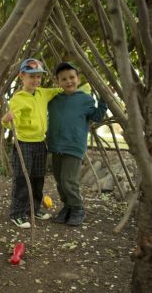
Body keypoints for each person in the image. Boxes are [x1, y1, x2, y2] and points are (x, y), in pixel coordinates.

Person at [1, 58, 61, 229]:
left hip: (40, 143)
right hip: (24, 143)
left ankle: (34, 208)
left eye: (39, 77)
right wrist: (6, 120)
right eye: (32, 76)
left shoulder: (43, 93)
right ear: (22, 76)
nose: (35, 80)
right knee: (22, 178)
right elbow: (11, 121)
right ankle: (17, 213)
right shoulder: (18, 99)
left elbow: (59, 90)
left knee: (38, 178)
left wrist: (75, 87)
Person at [47, 62, 107, 226]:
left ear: (78, 79)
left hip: (74, 146)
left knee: (69, 180)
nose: (69, 81)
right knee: (60, 180)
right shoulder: (53, 99)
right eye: (64, 79)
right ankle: (67, 207)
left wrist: (104, 99)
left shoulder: (85, 99)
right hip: (56, 146)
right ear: (57, 82)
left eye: (72, 77)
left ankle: (78, 208)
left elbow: (96, 116)